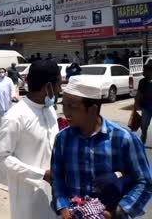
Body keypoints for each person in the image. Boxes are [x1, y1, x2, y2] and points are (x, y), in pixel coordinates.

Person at [52, 76, 152, 218]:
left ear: (93, 109)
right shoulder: (62, 139)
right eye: (64, 105)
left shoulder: (124, 139)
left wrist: (117, 211)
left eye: (72, 106)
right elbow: (57, 179)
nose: (66, 112)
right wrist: (63, 208)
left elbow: (144, 182)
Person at [0, 60, 61, 219]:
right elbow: (0, 158)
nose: (60, 89)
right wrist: (41, 174)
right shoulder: (15, 117)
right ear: (48, 87)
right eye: (58, 84)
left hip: (56, 197)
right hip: (28, 199)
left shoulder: (50, 109)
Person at [135, 61, 152, 145]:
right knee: (144, 125)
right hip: (146, 106)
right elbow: (139, 94)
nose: (143, 71)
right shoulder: (142, 81)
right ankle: (143, 136)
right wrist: (136, 105)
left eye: (146, 69)